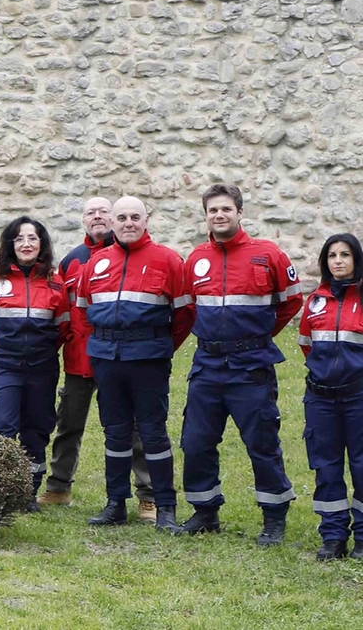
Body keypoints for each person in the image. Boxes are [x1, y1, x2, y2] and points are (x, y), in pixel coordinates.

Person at [177, 184, 301, 543]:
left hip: (251, 365)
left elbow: (291, 303)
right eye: (213, 210)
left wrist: (258, 334)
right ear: (206, 216)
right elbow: (189, 307)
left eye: (226, 209)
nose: (219, 215)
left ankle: (274, 517)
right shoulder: (196, 258)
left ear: (240, 212)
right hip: (208, 364)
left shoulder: (268, 254)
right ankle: (204, 512)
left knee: (261, 442)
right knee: (197, 440)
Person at [72, 196, 193, 531]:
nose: (128, 223)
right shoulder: (95, 264)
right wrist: (101, 347)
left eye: (134, 217)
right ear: (112, 222)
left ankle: (165, 507)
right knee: (115, 433)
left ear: (146, 220)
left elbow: (184, 314)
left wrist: (161, 345)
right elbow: (82, 312)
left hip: (148, 358)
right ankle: (115, 504)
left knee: (153, 434)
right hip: (107, 359)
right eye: (121, 217)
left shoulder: (168, 260)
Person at [42, 196, 155, 517]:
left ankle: (147, 494)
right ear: (83, 220)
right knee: (68, 425)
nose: (97, 217)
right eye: (90, 213)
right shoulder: (71, 261)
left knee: (130, 426)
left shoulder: (130, 256)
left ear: (113, 218)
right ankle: (58, 487)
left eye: (103, 212)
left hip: (119, 357)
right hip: (80, 359)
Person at [0, 216, 71, 511]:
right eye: (19, 239)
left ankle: (27, 493)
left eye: (32, 238)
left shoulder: (56, 284)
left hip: (42, 369)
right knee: (2, 426)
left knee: (36, 429)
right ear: (10, 246)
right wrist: (5, 355)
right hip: (5, 367)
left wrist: (39, 355)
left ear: (41, 244)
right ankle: (3, 490)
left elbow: (63, 327)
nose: (26, 244)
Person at [297, 234, 363, 560]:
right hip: (321, 400)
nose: (338, 261)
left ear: (356, 259)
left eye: (345, 255)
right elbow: (306, 344)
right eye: (332, 255)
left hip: (358, 398)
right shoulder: (315, 301)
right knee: (326, 467)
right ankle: (333, 536)